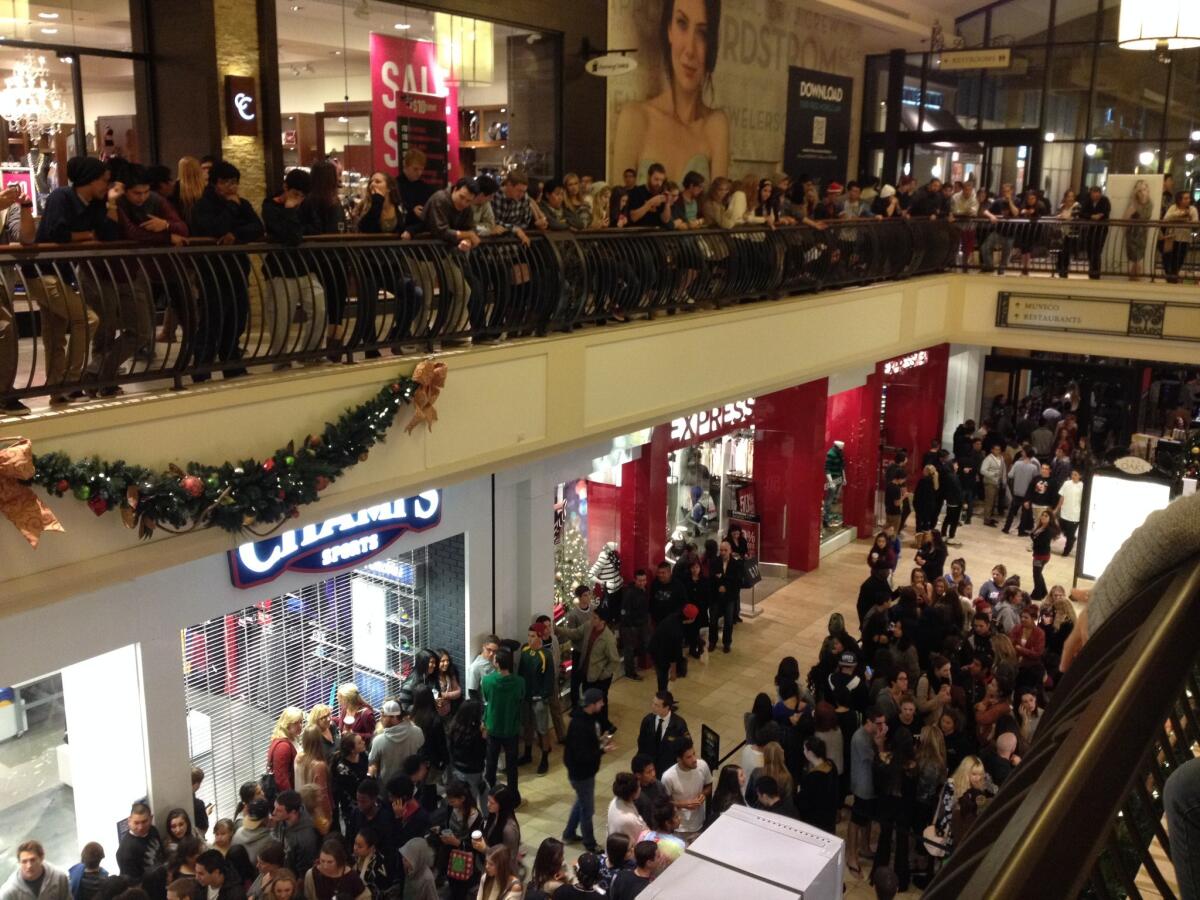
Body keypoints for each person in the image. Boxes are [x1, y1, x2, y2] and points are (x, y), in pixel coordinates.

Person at [611, 0, 728, 185]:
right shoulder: (636, 119)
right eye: (682, 23)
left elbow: (718, 208)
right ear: (669, 30)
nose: (690, 49)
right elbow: (618, 205)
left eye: (702, 33)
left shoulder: (715, 126)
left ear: (711, 43)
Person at [563, 687, 614, 853]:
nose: (603, 704)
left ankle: (569, 833)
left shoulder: (588, 717)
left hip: (584, 772)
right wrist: (601, 750)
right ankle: (589, 843)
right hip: (581, 774)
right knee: (588, 809)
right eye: (600, 702)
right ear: (592, 704)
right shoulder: (579, 725)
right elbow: (581, 755)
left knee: (581, 802)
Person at [482, 649, 526, 801]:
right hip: (511, 727)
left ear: (497, 663)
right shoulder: (519, 682)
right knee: (512, 765)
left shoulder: (488, 681)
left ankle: (491, 795)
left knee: (491, 764)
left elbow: (486, 697)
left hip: (493, 726)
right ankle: (513, 797)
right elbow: (521, 698)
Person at [517, 622, 555, 775]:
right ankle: (527, 754)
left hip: (539, 698)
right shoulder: (525, 650)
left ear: (539, 637)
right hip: (526, 697)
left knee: (542, 729)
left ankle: (544, 758)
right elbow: (520, 673)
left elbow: (549, 679)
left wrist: (543, 696)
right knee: (527, 726)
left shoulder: (545, 655)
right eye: (528, 636)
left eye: (532, 636)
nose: (529, 639)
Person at [661, 738, 712, 843]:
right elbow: (664, 803)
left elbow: (709, 785)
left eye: (694, 754)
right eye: (689, 757)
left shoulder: (702, 765)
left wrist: (703, 794)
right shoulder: (668, 777)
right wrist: (682, 804)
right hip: (680, 827)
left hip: (700, 821)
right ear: (679, 759)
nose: (694, 759)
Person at [367, 700, 424, 788]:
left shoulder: (379, 740)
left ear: (394, 717)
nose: (380, 718)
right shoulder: (417, 732)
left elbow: (371, 761)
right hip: (410, 784)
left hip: (387, 787)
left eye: (383, 715)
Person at [636, 691, 689, 780]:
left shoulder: (679, 724)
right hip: (649, 767)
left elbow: (686, 746)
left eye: (657, 705)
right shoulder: (648, 721)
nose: (653, 707)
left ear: (667, 707)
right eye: (653, 703)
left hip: (668, 770)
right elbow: (641, 743)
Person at [271, 791, 320, 877]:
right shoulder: (283, 818)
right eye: (275, 808)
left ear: (293, 812)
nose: (273, 813)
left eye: (278, 810)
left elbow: (304, 871)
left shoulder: (305, 839)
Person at [648, 603, 695, 691]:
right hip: (660, 652)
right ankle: (661, 699)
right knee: (662, 677)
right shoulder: (676, 632)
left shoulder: (673, 617)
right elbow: (673, 654)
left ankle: (663, 696)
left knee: (661, 674)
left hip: (656, 647)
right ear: (690, 619)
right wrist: (674, 672)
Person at [295, 727, 333, 832]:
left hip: (304, 809)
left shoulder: (298, 759)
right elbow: (323, 795)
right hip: (318, 813)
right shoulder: (319, 765)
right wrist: (329, 815)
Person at [3, 841, 69, 900]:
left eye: (33, 860)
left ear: (41, 858)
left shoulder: (59, 878)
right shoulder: (9, 891)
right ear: (19, 863)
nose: (29, 866)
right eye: (24, 861)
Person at [117, 802, 165, 882]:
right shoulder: (125, 851)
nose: (140, 827)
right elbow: (133, 884)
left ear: (151, 818)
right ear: (129, 821)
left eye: (144, 822)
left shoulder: (153, 830)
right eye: (136, 823)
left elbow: (162, 853)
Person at [979, 183, 1020, 274]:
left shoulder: (1017, 200)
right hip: (998, 231)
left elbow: (1016, 213)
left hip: (1010, 232)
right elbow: (985, 211)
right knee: (985, 247)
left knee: (1006, 252)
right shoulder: (998, 202)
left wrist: (1010, 201)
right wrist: (991, 216)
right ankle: (989, 265)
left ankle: (1002, 268)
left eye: (1008, 191)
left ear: (1012, 191)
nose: (1006, 193)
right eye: (1004, 191)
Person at [710, 540, 742, 653]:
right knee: (713, 620)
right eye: (721, 550)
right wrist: (719, 586)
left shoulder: (736, 564)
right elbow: (712, 578)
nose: (723, 552)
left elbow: (737, 581)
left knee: (728, 621)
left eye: (725, 550)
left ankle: (727, 643)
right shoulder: (715, 562)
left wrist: (726, 587)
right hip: (716, 597)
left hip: (729, 597)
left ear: (730, 551)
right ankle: (712, 641)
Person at [1161, 191, 1198, 284]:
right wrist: (1178, 215)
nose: (1188, 200)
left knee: (1179, 260)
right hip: (1171, 238)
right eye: (1185, 198)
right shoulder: (1173, 208)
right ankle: (1170, 277)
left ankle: (1173, 278)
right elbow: (1165, 219)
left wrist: (1188, 219)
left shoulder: (1192, 209)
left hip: (1184, 239)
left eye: (1189, 198)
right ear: (1179, 199)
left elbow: (1195, 222)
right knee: (1168, 258)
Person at [620, 570, 651, 680]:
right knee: (630, 649)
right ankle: (630, 672)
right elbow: (625, 611)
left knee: (643, 645)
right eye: (640, 580)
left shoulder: (643, 590)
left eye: (644, 580)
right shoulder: (630, 593)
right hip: (630, 626)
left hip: (640, 623)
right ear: (635, 580)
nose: (642, 583)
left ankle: (631, 669)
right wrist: (630, 626)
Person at [1077, 184, 1111, 279]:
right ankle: (1091, 272)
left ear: (1100, 194)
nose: (1095, 196)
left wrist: (1097, 216)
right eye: (1093, 194)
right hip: (1090, 230)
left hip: (1101, 230)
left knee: (1097, 251)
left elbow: (1105, 212)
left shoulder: (1105, 201)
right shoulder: (1088, 201)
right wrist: (1091, 216)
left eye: (1097, 194)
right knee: (1089, 250)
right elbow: (1082, 213)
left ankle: (1096, 273)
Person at [624, 164, 673, 228]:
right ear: (649, 177)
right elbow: (633, 217)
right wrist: (650, 203)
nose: (659, 183)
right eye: (656, 179)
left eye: (661, 180)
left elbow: (665, 220)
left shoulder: (661, 193)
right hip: (639, 235)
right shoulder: (636, 192)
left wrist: (667, 203)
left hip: (656, 234)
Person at [1003, 449, 1039, 536]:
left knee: (1012, 511)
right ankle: (1021, 531)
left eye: (1023, 451)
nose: (1021, 452)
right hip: (1027, 493)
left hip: (1016, 491)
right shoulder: (1034, 468)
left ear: (1025, 454)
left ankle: (1006, 528)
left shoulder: (1017, 464)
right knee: (1024, 513)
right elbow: (1035, 480)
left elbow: (1010, 475)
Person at [607, 772, 648, 846]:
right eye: (638, 787)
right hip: (626, 850)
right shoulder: (629, 818)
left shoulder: (615, 801)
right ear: (633, 793)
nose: (640, 788)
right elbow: (641, 837)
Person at [1030, 509, 1059, 601]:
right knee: (1038, 573)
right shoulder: (1041, 527)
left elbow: (1040, 542)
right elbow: (1033, 536)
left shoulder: (1048, 530)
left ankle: (1037, 594)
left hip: (1041, 556)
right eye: (1043, 515)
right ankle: (1043, 592)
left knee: (1036, 574)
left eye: (1046, 516)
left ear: (1050, 518)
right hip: (1039, 554)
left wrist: (1034, 540)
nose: (1043, 517)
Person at [631, 755, 667, 825]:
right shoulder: (634, 795)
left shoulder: (659, 785)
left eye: (653, 769)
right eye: (649, 772)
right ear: (638, 775)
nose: (653, 774)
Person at [466, 635, 500, 701]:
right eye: (489, 650)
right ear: (483, 647)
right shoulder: (475, 667)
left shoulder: (496, 661)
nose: (491, 654)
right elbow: (472, 692)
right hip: (486, 705)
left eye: (495, 651)